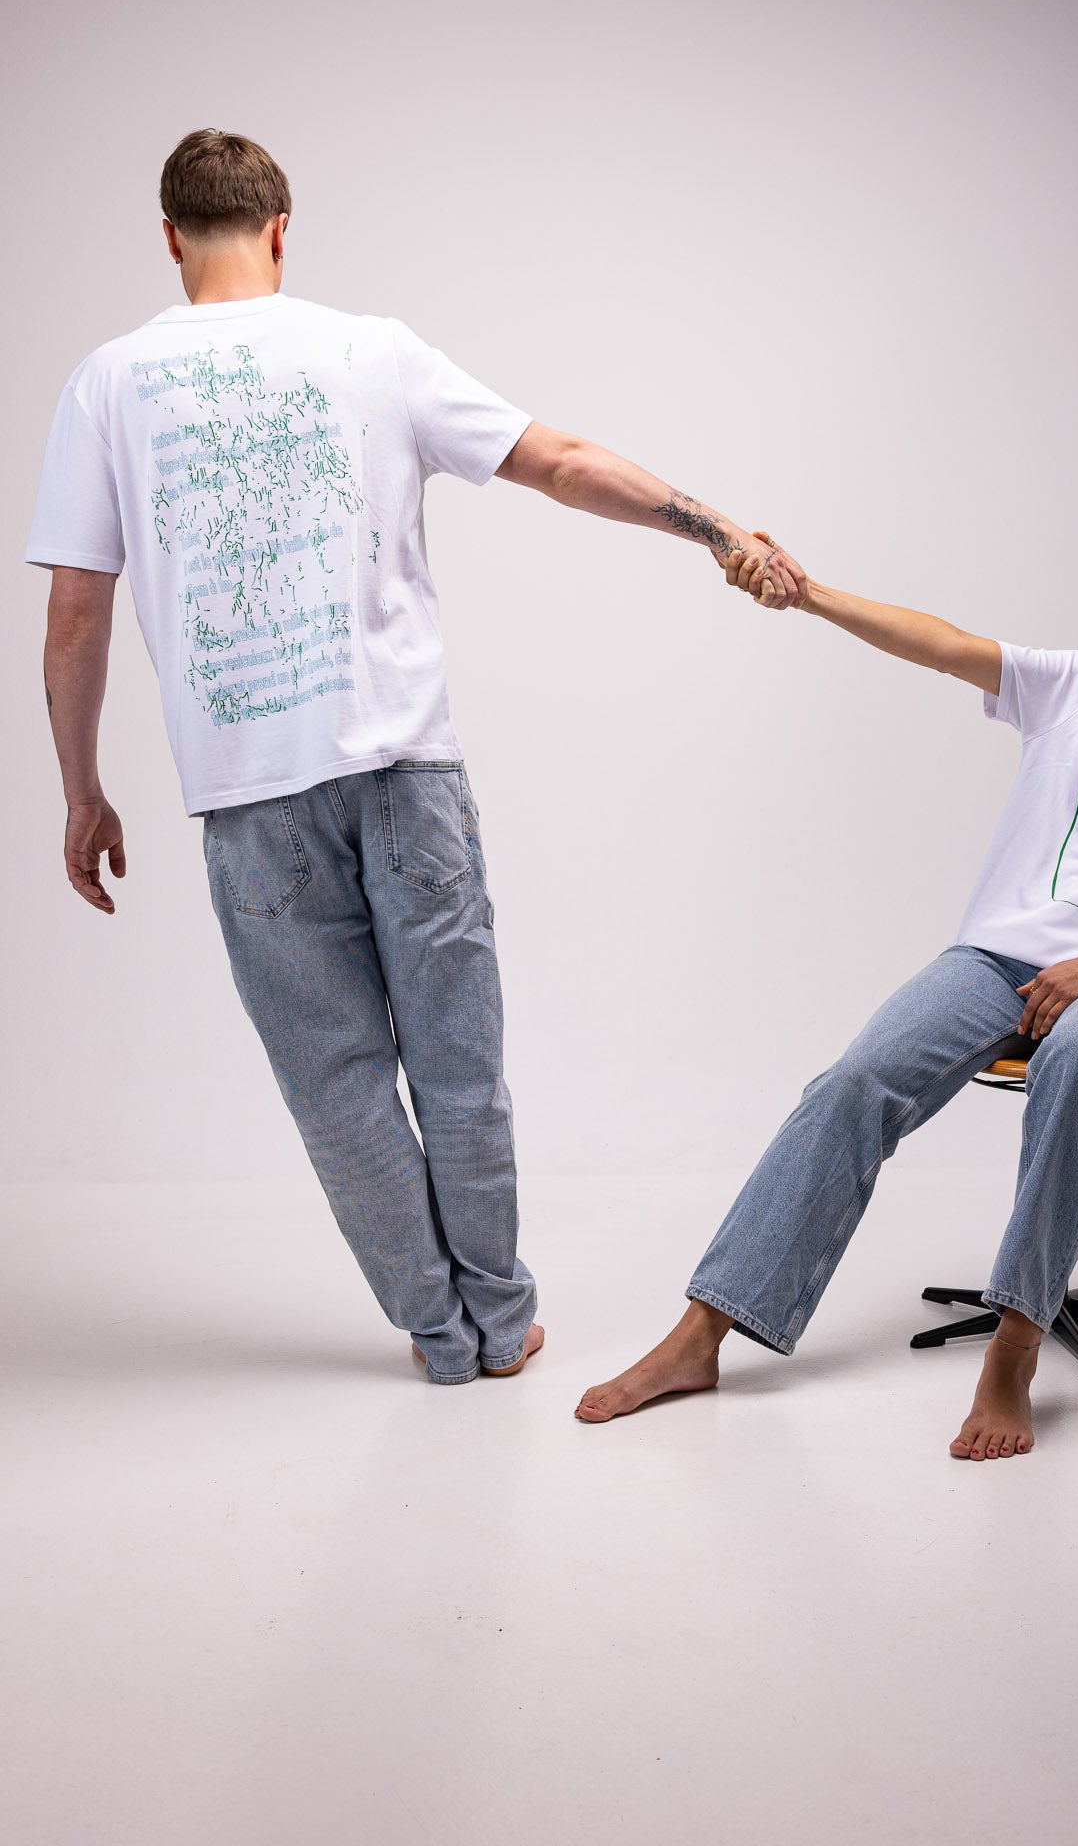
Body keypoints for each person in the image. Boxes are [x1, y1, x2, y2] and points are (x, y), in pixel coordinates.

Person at [29, 128, 806, 1387]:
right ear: (281, 229)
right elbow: (561, 463)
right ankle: (499, 1320)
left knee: (336, 1083)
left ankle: (439, 1336)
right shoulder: (372, 352)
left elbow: (76, 614)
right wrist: (714, 526)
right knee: (458, 1062)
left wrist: (82, 791)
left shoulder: (106, 384)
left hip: (249, 797)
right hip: (405, 774)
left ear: (170, 236)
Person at [577, 499, 1078, 1454]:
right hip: (1001, 958)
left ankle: (1013, 1350)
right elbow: (943, 645)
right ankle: (701, 1335)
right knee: (854, 1084)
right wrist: (807, 594)